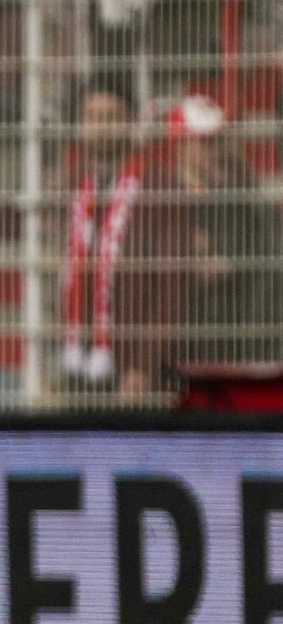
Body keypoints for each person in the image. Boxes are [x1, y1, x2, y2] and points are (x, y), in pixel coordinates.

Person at [56, 80, 186, 397]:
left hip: (133, 364)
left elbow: (173, 285)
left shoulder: (159, 183)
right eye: (92, 117)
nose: (100, 127)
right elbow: (18, 222)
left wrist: (143, 365)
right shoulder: (74, 182)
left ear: (131, 122)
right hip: (77, 358)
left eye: (111, 116)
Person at [157, 97, 281, 370]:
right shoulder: (162, 203)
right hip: (183, 347)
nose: (218, 150)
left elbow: (270, 263)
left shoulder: (247, 200)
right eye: (206, 142)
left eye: (220, 140)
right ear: (182, 146)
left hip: (240, 344)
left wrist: (229, 262)